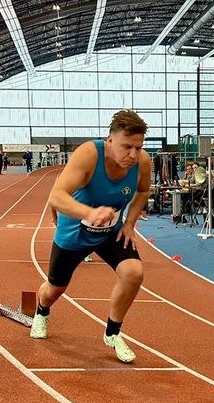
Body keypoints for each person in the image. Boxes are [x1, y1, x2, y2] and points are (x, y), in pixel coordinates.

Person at [30, 109, 151, 363]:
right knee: (55, 289)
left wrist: (130, 223)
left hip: (111, 231)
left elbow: (142, 192)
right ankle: (42, 311)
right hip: (74, 232)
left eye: (138, 147)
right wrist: (90, 213)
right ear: (110, 140)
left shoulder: (142, 162)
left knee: (134, 273)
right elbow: (56, 196)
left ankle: (112, 332)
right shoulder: (89, 154)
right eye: (126, 147)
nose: (133, 154)